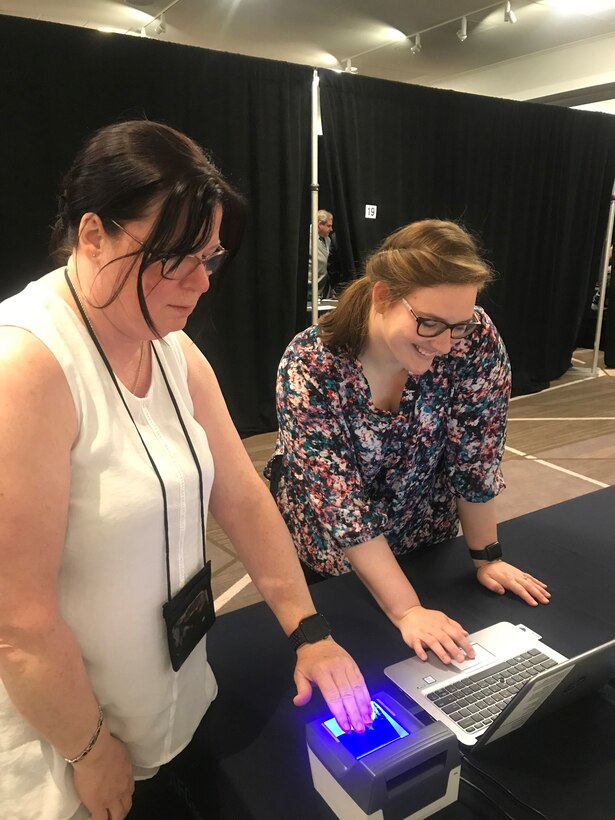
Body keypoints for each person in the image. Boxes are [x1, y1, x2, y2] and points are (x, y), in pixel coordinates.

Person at [0, 120, 372, 820]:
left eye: (210, 257)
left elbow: (244, 500)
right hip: (65, 741)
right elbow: (17, 622)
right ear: (92, 236)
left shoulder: (169, 346)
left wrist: (308, 630)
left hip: (169, 698)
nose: (201, 283)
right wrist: (89, 749)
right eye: (175, 259)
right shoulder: (27, 367)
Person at [267, 219, 550, 669]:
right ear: (382, 296)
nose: (444, 344)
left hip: (425, 540)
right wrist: (407, 610)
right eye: (429, 323)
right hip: (329, 554)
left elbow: (475, 455)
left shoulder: (472, 338)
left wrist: (486, 557)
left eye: (457, 326)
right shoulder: (311, 366)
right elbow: (341, 508)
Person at [308, 209, 334, 299]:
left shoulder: (328, 240)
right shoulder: (306, 238)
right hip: (309, 292)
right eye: (329, 226)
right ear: (319, 224)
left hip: (323, 293)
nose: (331, 229)